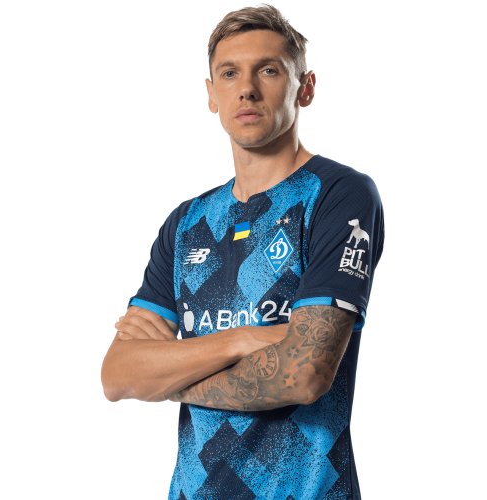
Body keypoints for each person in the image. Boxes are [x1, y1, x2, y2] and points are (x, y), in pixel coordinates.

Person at [100, 4, 384, 499]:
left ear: (306, 88)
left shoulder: (339, 194)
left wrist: (165, 379)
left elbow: (303, 374)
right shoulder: (187, 221)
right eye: (229, 73)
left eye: (268, 70)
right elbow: (117, 375)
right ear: (211, 94)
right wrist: (241, 340)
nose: (247, 89)